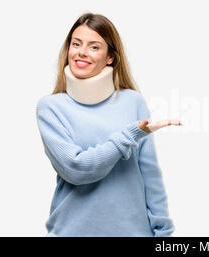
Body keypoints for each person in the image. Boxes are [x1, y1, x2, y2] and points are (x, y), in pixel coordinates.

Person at [35, 12, 181, 237]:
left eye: (94, 47)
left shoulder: (133, 102)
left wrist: (163, 231)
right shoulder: (51, 108)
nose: (82, 52)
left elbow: (149, 173)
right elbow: (76, 168)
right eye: (76, 44)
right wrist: (130, 135)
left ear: (110, 57)